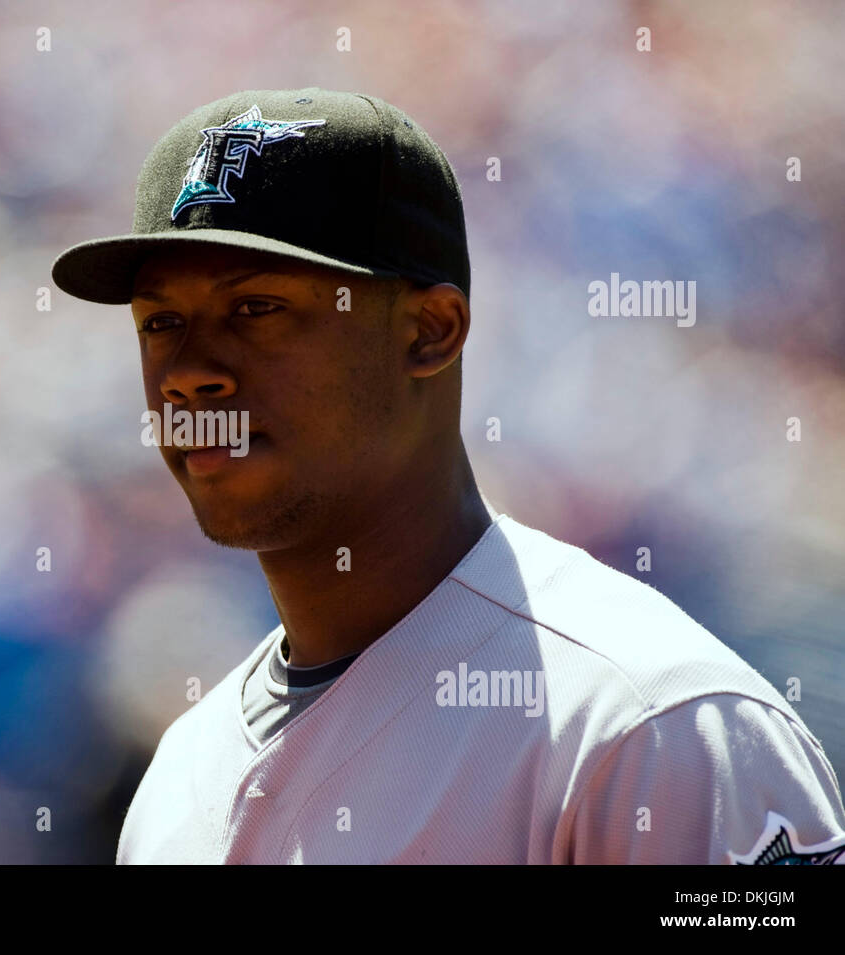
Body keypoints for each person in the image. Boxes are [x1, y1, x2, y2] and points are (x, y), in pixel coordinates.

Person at [51, 87, 845, 863]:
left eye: (257, 309)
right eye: (160, 322)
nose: (189, 374)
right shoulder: (177, 773)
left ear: (430, 332)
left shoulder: (652, 727)